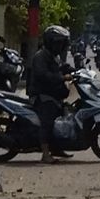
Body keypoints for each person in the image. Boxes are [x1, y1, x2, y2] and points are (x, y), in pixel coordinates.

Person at [27, 25, 74, 164]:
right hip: (42, 95)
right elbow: (44, 75)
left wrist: (76, 71)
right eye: (58, 42)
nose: (60, 46)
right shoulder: (40, 56)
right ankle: (45, 153)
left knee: (60, 118)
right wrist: (62, 78)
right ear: (51, 42)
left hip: (53, 94)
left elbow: (62, 67)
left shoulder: (54, 56)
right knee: (47, 121)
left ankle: (56, 148)